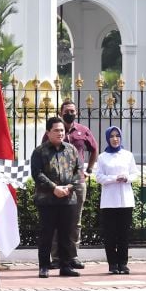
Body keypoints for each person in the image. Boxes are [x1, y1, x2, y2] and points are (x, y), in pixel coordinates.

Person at [42, 100, 98, 270]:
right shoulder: (53, 132)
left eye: (72, 111)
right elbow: (43, 152)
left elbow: (94, 149)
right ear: (60, 112)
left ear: (76, 112)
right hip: (58, 184)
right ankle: (57, 258)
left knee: (75, 222)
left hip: (78, 182)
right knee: (56, 221)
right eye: (67, 111)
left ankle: (72, 256)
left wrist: (89, 170)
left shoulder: (83, 131)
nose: (70, 113)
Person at [31, 117, 83, 278]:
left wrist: (69, 187)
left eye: (62, 130)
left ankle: (66, 266)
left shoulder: (71, 150)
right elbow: (37, 174)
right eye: (56, 130)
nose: (60, 133)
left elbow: (79, 170)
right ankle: (44, 266)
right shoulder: (40, 151)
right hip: (47, 200)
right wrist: (54, 188)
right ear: (48, 132)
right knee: (47, 234)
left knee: (66, 233)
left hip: (68, 199)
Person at [96, 126, 140, 274]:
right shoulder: (102, 157)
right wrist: (114, 178)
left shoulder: (128, 155)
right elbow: (99, 177)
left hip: (126, 200)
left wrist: (127, 178)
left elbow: (135, 174)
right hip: (109, 201)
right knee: (110, 234)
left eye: (117, 136)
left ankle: (123, 263)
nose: (115, 139)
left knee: (124, 234)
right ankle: (112, 264)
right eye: (112, 136)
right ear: (108, 138)